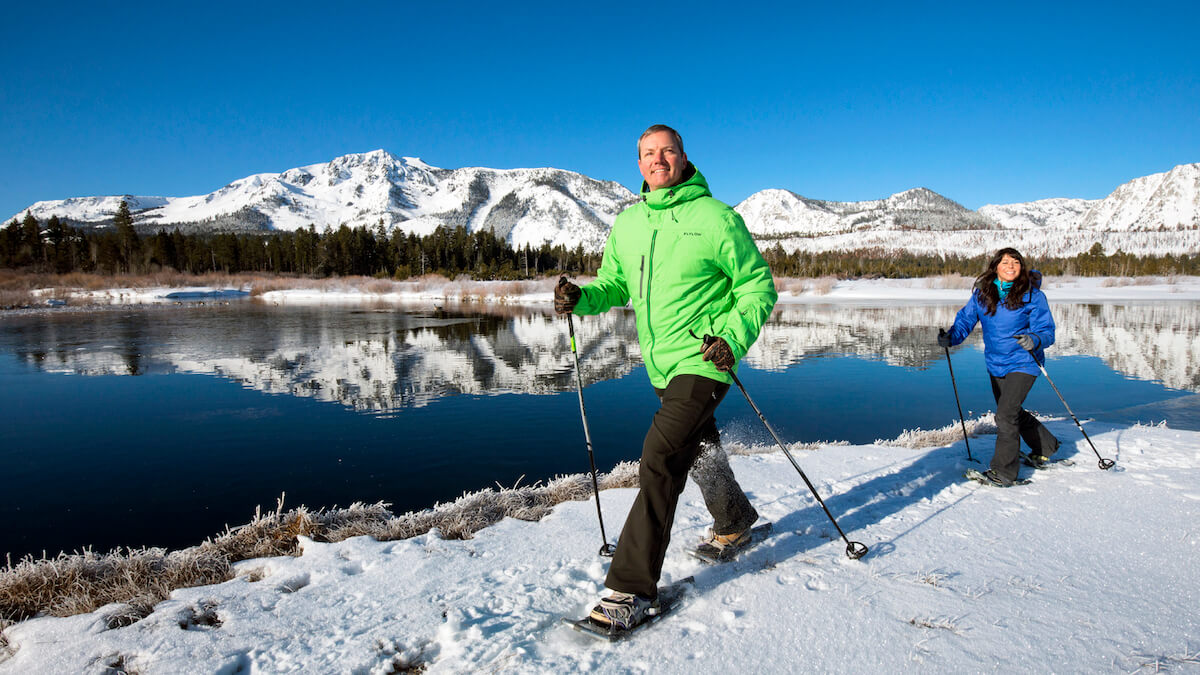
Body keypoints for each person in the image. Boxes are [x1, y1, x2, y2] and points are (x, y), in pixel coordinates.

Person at [554, 124, 778, 630]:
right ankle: (735, 520)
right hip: (660, 364)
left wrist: (732, 338)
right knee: (698, 448)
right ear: (639, 165)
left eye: (668, 151)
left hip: (704, 358)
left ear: (683, 158)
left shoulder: (716, 217)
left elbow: (757, 287)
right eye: (648, 153)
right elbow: (613, 286)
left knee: (659, 457)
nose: (659, 160)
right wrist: (580, 298)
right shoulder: (628, 224)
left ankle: (629, 591)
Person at [939, 247, 1059, 486]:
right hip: (996, 363)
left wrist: (1034, 339)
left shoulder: (1032, 295)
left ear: (1021, 267)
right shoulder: (983, 294)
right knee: (1012, 412)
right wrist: (951, 337)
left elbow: (1047, 330)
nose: (1011, 266)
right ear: (995, 267)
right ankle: (1046, 445)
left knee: (1005, 416)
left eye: (1016, 262)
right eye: (1006, 262)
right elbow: (965, 320)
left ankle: (1004, 473)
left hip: (1024, 362)